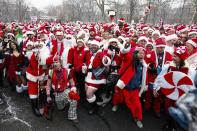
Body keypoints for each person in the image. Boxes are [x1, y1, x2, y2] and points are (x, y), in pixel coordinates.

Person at [153, 46, 196, 130]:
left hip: (182, 96)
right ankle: (168, 124)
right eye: (173, 55)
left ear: (182, 58)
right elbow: (160, 77)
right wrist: (155, 88)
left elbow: (192, 85)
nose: (173, 58)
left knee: (178, 112)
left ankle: (174, 126)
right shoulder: (168, 67)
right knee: (168, 110)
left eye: (175, 56)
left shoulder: (190, 70)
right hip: (169, 94)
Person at [112, 42, 148, 128]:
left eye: (143, 53)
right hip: (123, 86)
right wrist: (125, 48)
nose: (142, 55)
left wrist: (143, 86)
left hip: (134, 89)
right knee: (117, 97)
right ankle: (115, 104)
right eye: (140, 53)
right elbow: (124, 54)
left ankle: (138, 118)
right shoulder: (130, 59)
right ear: (135, 53)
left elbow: (144, 77)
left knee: (137, 105)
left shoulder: (143, 65)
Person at [46, 59, 79, 123]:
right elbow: (48, 85)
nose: (55, 64)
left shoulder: (67, 71)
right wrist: (48, 95)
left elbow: (72, 82)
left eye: (57, 62)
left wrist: (73, 89)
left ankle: (72, 116)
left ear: (60, 63)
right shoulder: (51, 72)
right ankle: (65, 102)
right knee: (60, 108)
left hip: (65, 90)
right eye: (54, 62)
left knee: (74, 99)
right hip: (56, 93)